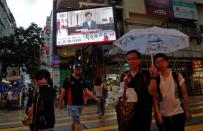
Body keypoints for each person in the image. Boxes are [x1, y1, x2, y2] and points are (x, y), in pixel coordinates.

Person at [117, 50, 157, 131]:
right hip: (128, 113)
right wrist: (125, 84)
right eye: (129, 59)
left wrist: (153, 77)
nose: (131, 61)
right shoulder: (124, 75)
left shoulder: (146, 74)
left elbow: (152, 92)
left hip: (143, 113)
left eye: (134, 58)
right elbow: (121, 96)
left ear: (139, 60)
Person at [153, 53, 192, 131]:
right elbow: (154, 97)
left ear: (167, 62)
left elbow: (184, 94)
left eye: (162, 61)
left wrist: (187, 110)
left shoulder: (177, 75)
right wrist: (157, 114)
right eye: (157, 62)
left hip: (178, 113)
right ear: (155, 65)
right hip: (163, 115)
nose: (160, 64)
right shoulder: (155, 78)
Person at [59, 63, 100, 131]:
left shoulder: (82, 80)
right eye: (77, 69)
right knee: (78, 122)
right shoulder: (68, 80)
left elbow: (86, 91)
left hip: (80, 104)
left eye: (80, 69)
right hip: (72, 104)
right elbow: (63, 92)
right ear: (74, 69)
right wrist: (60, 103)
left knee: (75, 121)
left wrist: (95, 98)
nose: (79, 71)